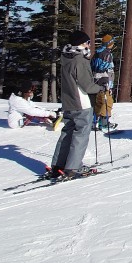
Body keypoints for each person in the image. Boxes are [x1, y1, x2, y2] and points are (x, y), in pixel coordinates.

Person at [49, 30, 106, 179]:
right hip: (81, 102)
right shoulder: (79, 59)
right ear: (81, 43)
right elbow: (87, 86)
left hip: (68, 102)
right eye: (88, 42)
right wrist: (100, 87)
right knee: (80, 134)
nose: (89, 45)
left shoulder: (66, 56)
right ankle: (73, 167)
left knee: (67, 133)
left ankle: (58, 165)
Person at [91, 34, 117, 131]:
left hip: (95, 80)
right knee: (107, 101)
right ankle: (104, 123)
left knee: (98, 102)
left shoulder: (98, 51)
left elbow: (92, 66)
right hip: (104, 80)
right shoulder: (107, 54)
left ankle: (94, 122)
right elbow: (108, 70)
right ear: (109, 44)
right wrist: (110, 85)